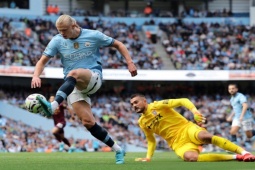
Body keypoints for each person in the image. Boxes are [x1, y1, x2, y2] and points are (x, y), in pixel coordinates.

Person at [31, 14, 137, 164]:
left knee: (74, 73)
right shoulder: (57, 40)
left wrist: (130, 62)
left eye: (64, 30)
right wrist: (36, 75)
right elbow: (42, 61)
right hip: (73, 86)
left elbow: (118, 44)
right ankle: (118, 150)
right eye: (59, 30)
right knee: (88, 122)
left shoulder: (93, 35)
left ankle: (53, 106)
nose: (62, 33)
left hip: (92, 78)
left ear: (74, 26)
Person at [129, 93, 255, 162]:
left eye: (136, 102)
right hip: (177, 143)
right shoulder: (142, 122)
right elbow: (151, 140)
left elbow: (183, 100)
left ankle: (244, 152)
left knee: (205, 136)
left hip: (186, 128)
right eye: (132, 104)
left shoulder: (157, 105)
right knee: (191, 158)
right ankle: (236, 157)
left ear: (144, 101)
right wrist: (148, 157)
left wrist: (195, 112)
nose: (134, 106)